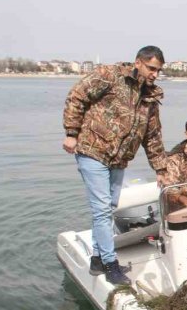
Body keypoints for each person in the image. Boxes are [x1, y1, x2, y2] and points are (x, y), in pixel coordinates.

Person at [62, 45, 168, 285]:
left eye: (158, 70)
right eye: (151, 68)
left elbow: (152, 136)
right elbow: (77, 95)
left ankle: (97, 260)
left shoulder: (150, 97)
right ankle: (111, 265)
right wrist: (71, 132)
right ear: (137, 62)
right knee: (101, 210)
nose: (155, 74)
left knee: (108, 208)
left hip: (119, 159)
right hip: (93, 150)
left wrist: (160, 169)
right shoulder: (109, 76)